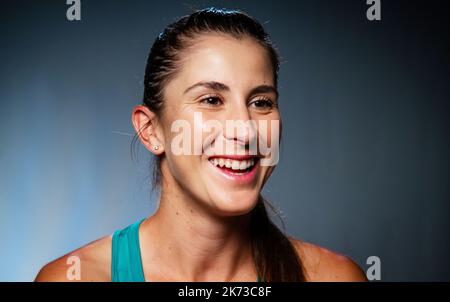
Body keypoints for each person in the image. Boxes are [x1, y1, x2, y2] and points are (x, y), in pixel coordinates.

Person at [35, 7, 367, 282]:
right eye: (211, 99)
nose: (245, 129)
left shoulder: (336, 277)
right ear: (151, 130)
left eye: (262, 102)